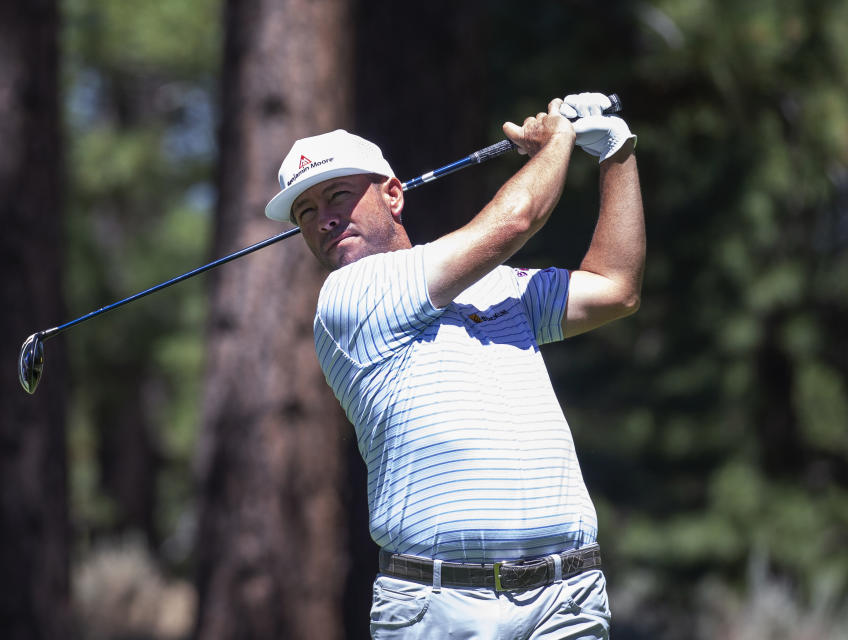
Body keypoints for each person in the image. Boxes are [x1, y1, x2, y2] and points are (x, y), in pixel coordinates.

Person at [264, 93, 644, 639]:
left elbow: (616, 289)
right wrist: (558, 140)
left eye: (338, 197)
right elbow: (517, 219)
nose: (324, 220)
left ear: (393, 195)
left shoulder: (496, 287)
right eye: (307, 212)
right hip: (438, 606)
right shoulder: (349, 298)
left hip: (566, 595)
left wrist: (616, 151)